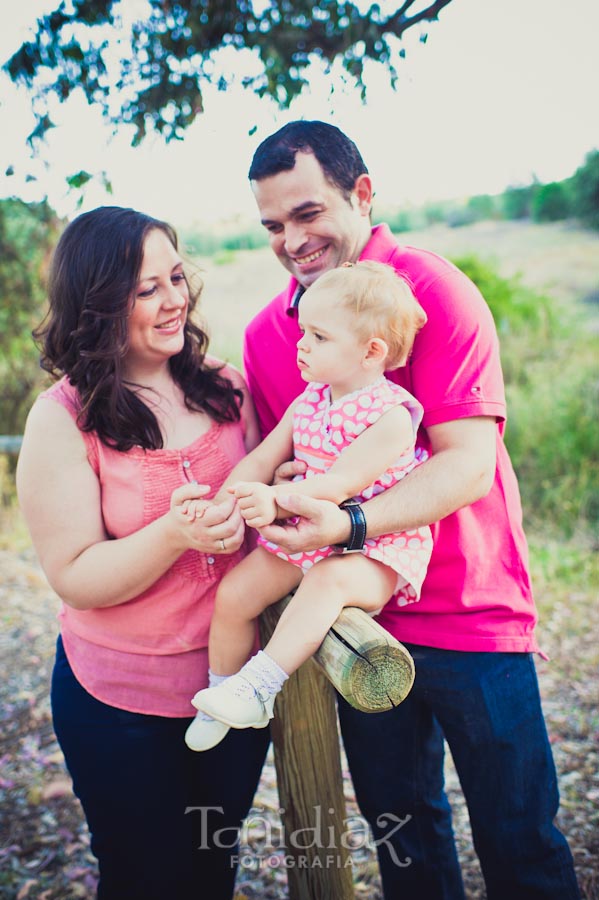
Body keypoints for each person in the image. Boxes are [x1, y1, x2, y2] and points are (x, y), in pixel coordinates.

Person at [240, 121, 581, 900]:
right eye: (271, 226)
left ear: (362, 194)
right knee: (405, 844)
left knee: (520, 839)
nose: (291, 241)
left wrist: (351, 522)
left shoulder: (433, 290)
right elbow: (284, 458)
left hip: (471, 610)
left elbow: (465, 463)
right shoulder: (269, 335)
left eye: (307, 213)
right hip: (360, 625)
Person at [15, 206, 270, 900]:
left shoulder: (224, 383)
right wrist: (173, 535)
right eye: (147, 289)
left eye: (176, 278)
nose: (174, 300)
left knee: (212, 872)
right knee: (146, 880)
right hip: (118, 704)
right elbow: (74, 576)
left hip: (229, 691)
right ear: (98, 303)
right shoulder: (63, 417)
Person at [183, 260, 432, 751]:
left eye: (319, 337)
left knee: (327, 581)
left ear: (371, 351)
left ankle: (258, 688)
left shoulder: (391, 417)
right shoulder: (311, 401)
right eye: (304, 332)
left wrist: (274, 499)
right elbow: (263, 456)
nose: (302, 345)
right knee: (235, 594)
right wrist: (223, 503)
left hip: (372, 550)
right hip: (309, 533)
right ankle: (221, 693)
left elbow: (339, 484)